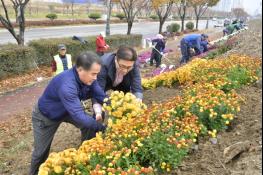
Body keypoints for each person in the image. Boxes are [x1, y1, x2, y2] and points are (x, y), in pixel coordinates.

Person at [30, 52, 107, 175]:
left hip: (67, 109)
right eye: (93, 74)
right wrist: (102, 128)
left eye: (97, 74)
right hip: (46, 116)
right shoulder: (67, 85)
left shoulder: (89, 79)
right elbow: (78, 115)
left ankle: (85, 154)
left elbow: (100, 95)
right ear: (80, 69)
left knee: (88, 126)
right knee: (40, 153)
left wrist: (115, 104)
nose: (95, 78)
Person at [91, 46, 143, 113]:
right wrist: (98, 109)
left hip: (122, 83)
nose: (125, 70)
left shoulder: (133, 64)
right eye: (122, 66)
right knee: (100, 108)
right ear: (116, 59)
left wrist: (137, 103)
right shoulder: (103, 65)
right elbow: (98, 89)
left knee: (125, 105)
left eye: (128, 67)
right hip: (106, 82)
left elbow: (137, 86)